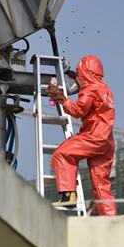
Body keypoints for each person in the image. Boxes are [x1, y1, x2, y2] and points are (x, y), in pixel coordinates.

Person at [46, 55, 117, 216]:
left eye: (79, 74)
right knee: (101, 184)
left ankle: (68, 196)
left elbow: (78, 110)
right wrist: (71, 74)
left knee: (62, 154)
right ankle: (110, 219)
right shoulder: (105, 89)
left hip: (94, 136)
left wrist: (60, 97)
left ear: (84, 73)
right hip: (107, 141)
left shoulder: (90, 89)